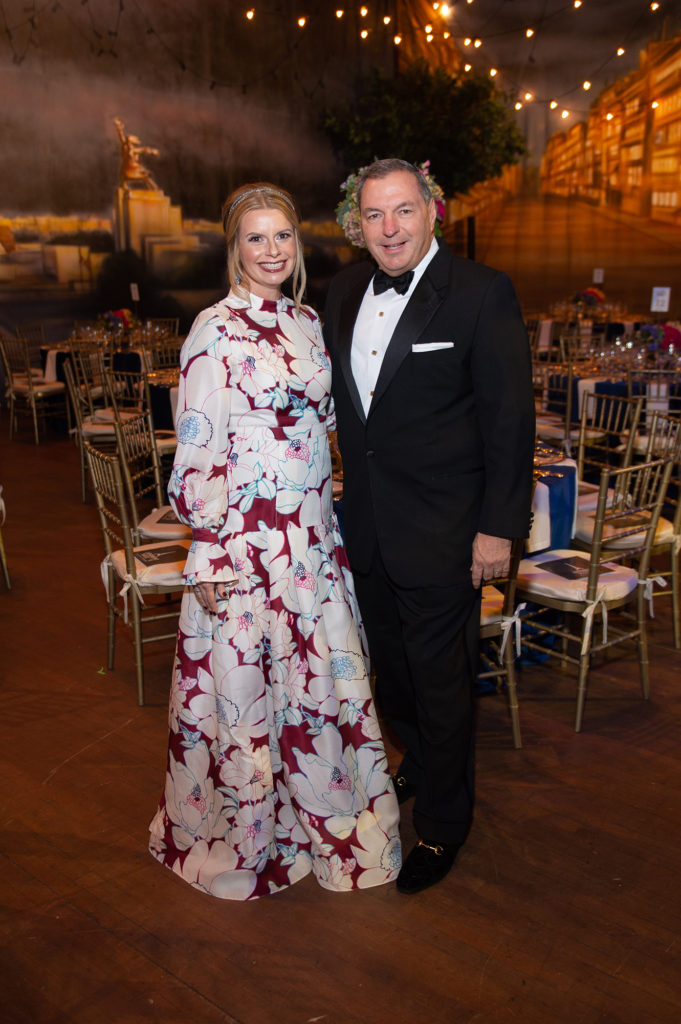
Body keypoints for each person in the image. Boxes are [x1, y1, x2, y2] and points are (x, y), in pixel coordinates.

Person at [149, 181, 401, 900]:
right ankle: (252, 833)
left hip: (312, 537)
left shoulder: (307, 320)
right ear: (235, 248)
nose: (271, 250)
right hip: (245, 543)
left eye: (282, 236)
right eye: (255, 238)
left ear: (297, 244)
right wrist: (207, 545)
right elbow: (196, 446)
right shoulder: (213, 328)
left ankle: (325, 818)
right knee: (248, 695)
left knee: (315, 688)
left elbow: (325, 424)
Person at [323, 158, 535, 894]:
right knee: (393, 674)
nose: (389, 229)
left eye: (403, 212)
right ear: (360, 222)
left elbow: (510, 421)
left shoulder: (481, 293)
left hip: (448, 531)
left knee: (443, 684)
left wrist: (498, 528)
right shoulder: (344, 291)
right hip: (368, 528)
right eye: (375, 215)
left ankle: (445, 827)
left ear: (430, 211)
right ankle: (415, 756)